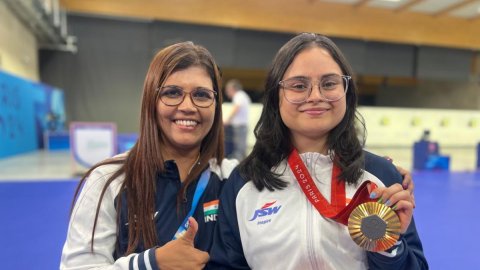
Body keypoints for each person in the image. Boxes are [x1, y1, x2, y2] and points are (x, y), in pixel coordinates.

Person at [208, 33, 427, 269]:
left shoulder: (382, 176)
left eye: (329, 83)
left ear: (347, 91)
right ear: (275, 96)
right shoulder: (244, 182)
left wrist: (389, 247)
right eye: (299, 85)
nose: (315, 96)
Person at [60, 42, 238, 269]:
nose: (187, 106)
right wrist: (149, 264)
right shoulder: (108, 180)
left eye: (201, 95)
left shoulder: (233, 179)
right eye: (172, 93)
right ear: (150, 101)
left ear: (216, 105)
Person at [223, 79, 251, 160]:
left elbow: (236, 109)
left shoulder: (239, 95)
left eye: (228, 90)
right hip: (241, 127)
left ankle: (239, 170)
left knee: (239, 150)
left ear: (232, 89)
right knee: (241, 149)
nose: (227, 93)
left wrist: (227, 121)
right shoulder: (242, 95)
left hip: (239, 127)